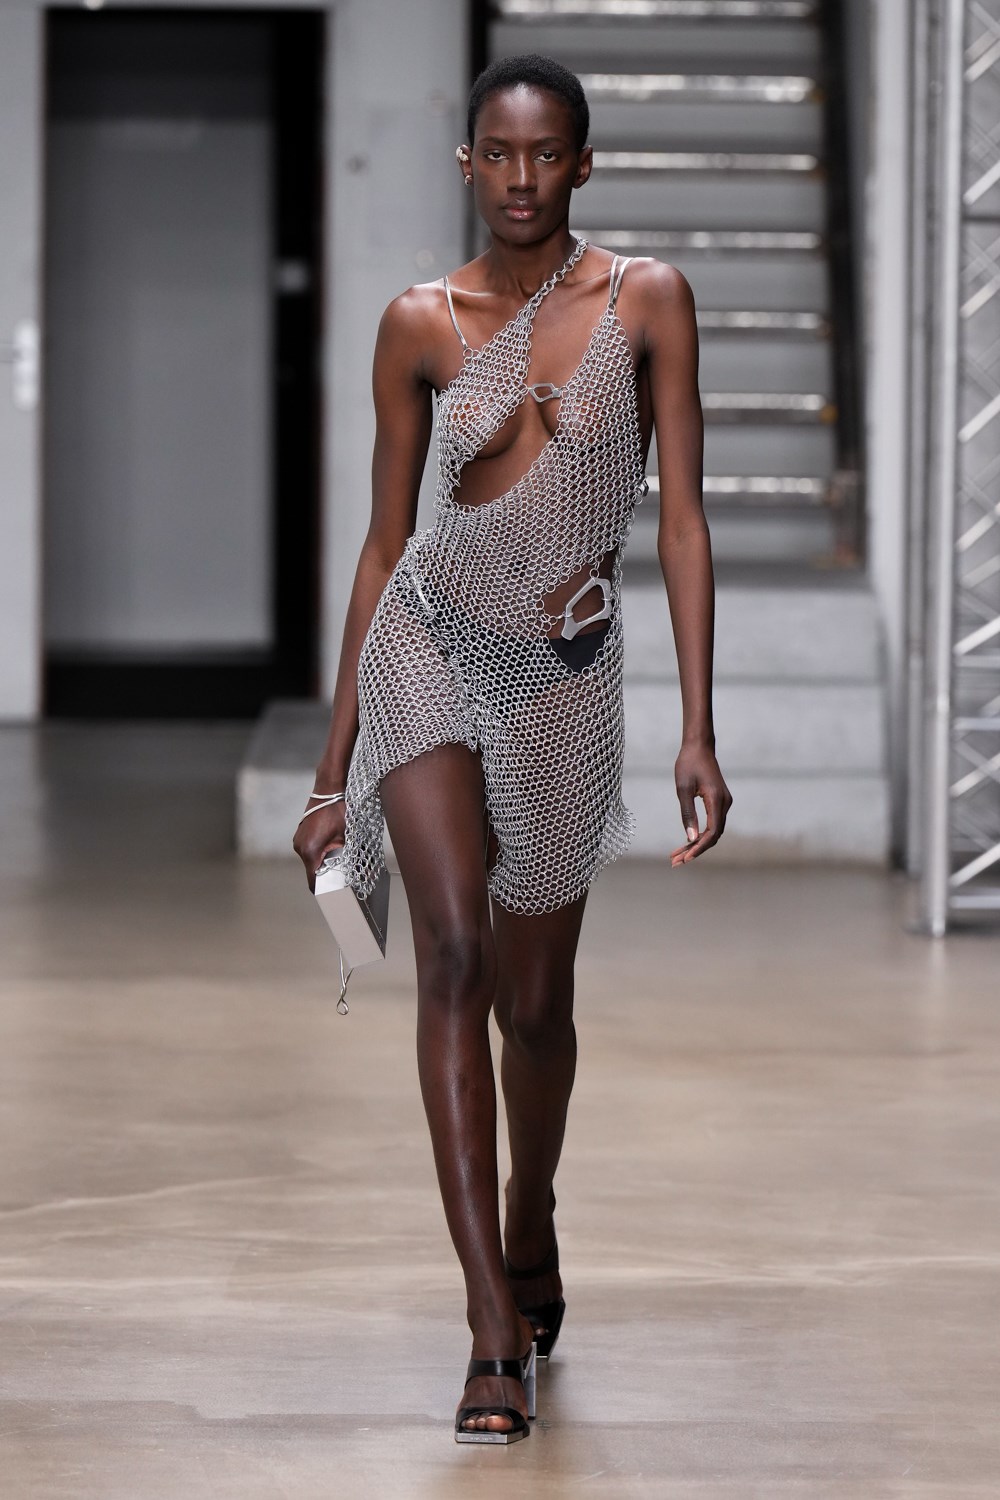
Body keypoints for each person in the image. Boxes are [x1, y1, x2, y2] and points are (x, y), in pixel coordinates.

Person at [294, 53, 731, 1444]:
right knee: (453, 960)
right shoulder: (418, 322)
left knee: (535, 1008)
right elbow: (382, 548)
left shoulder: (647, 300)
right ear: (468, 162)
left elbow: (681, 521)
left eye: (548, 154)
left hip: (566, 677)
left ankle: (530, 1216)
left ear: (583, 164)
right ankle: (491, 1322)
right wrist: (331, 771)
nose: (523, 177)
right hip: (429, 643)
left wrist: (697, 729)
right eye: (500, 152)